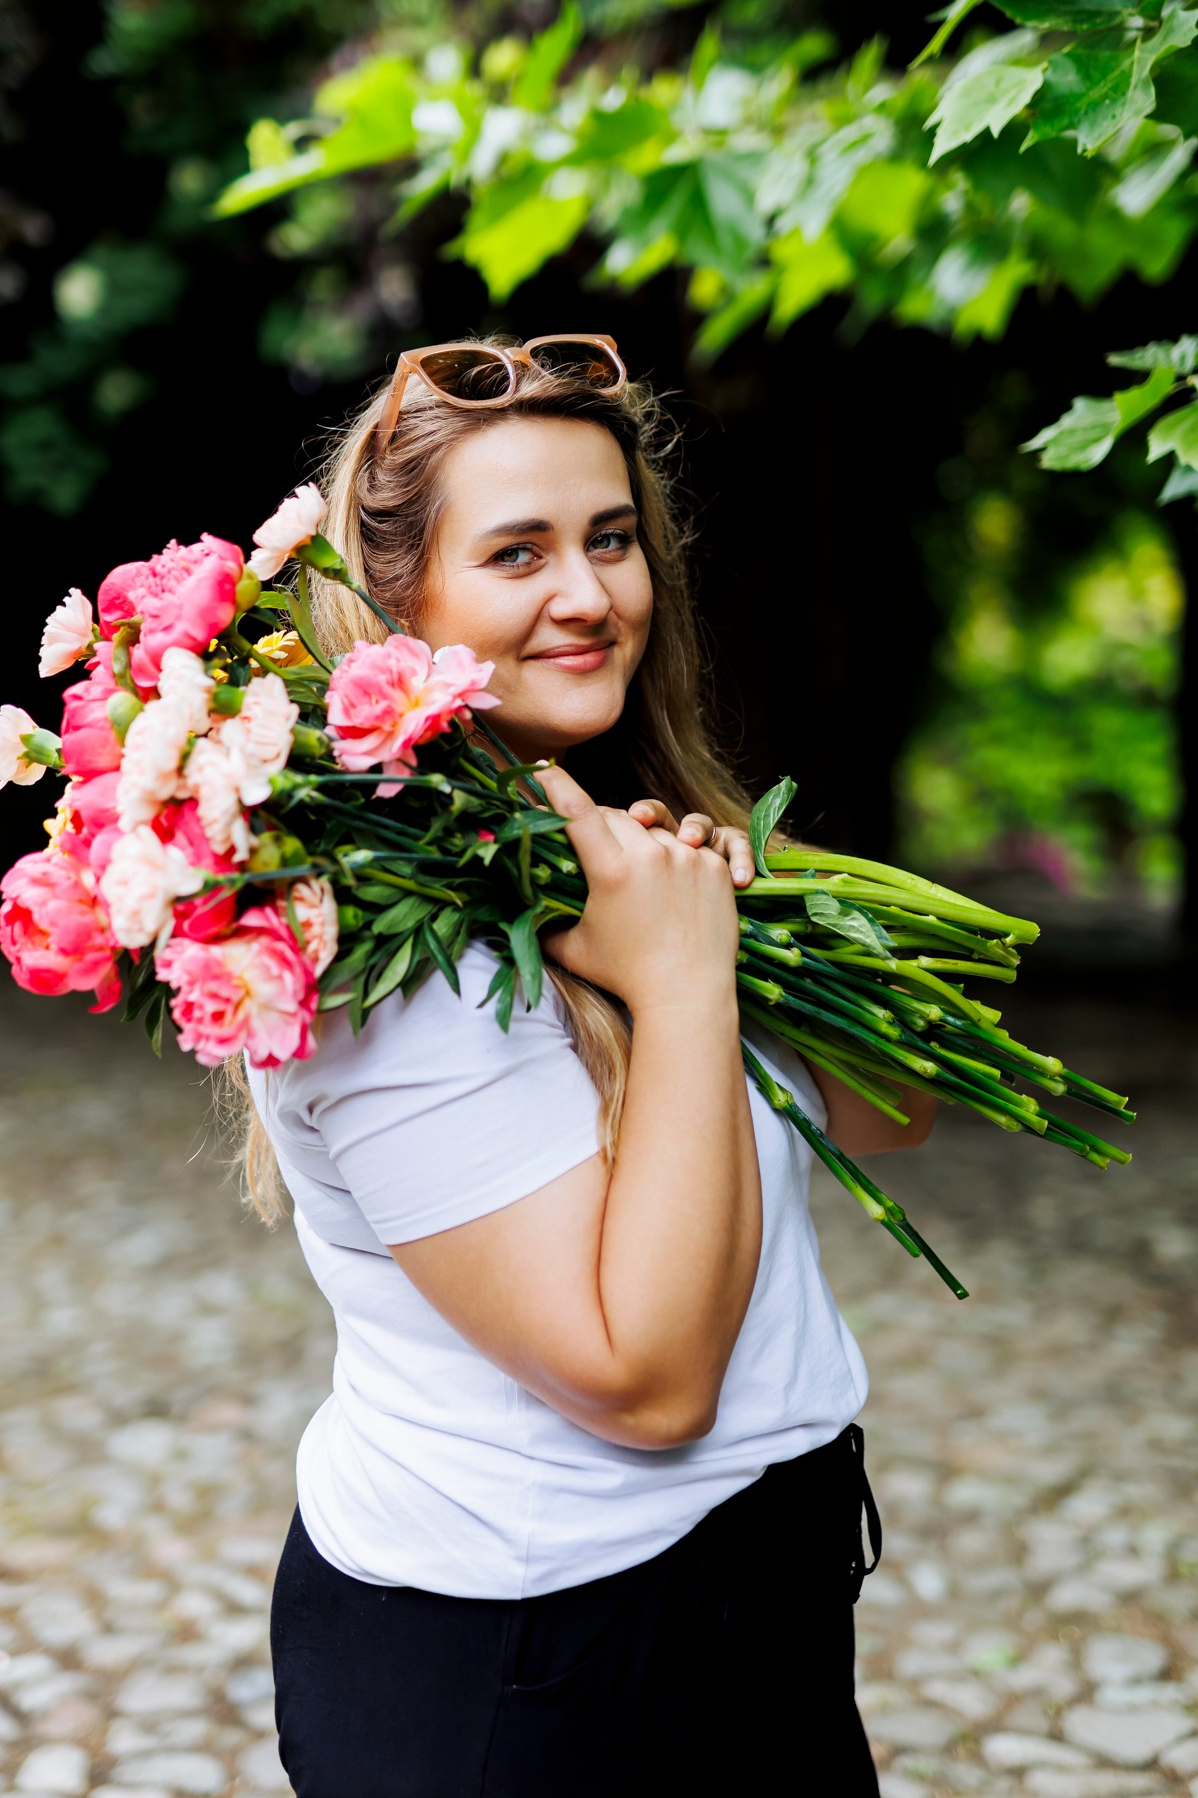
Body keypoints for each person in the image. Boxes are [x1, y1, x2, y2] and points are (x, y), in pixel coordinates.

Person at [238, 336, 936, 1797]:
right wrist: (684, 982)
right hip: (526, 1663)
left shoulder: (627, 834)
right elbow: (645, 1380)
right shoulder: (381, 953)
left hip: (767, 1590)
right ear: (398, 610)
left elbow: (894, 1108)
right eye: (518, 553)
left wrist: (736, 942)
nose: (588, 594)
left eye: (611, 538)